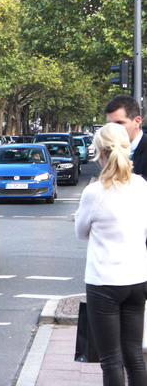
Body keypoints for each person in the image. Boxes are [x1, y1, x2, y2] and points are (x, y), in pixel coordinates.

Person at [75, 123, 147, 386]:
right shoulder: (142, 186)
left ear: (99, 154)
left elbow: (80, 232)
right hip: (138, 279)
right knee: (134, 357)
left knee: (111, 360)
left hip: (104, 282)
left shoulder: (95, 192)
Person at [105, 94, 147, 179]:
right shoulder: (109, 152)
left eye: (119, 123)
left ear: (137, 121)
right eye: (110, 125)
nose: (114, 129)